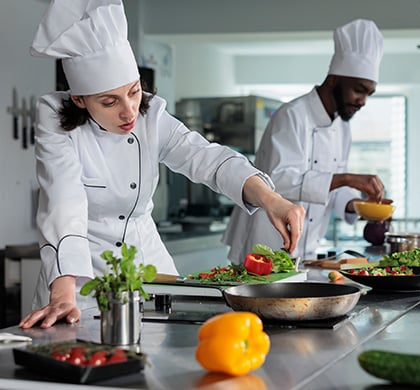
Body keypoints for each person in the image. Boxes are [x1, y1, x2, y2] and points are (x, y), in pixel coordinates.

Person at [20, 0, 304, 329]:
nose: (128, 112)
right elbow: (62, 200)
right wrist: (62, 294)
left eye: (134, 91)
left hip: (150, 269)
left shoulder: (150, 115)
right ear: (79, 100)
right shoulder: (55, 119)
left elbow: (207, 158)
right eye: (109, 102)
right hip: (79, 280)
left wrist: (272, 199)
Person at [223, 19, 388, 261]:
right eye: (358, 90)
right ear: (334, 80)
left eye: (368, 94)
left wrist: (362, 206)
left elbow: (331, 190)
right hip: (264, 247)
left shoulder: (342, 127)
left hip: (306, 251)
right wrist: (349, 178)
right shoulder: (292, 115)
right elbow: (277, 181)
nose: (363, 101)